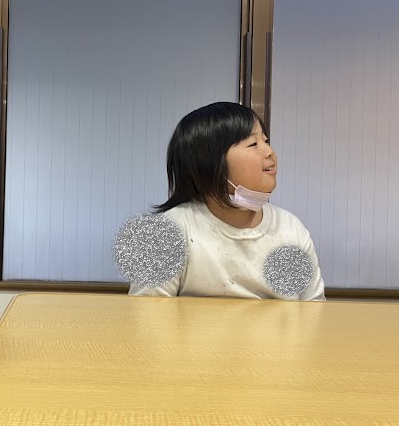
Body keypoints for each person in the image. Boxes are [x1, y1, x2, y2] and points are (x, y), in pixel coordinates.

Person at [128, 101, 325, 300]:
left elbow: (313, 310)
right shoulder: (167, 232)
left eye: (266, 141)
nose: (269, 151)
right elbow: (148, 314)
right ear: (209, 163)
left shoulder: (290, 229)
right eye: (253, 144)